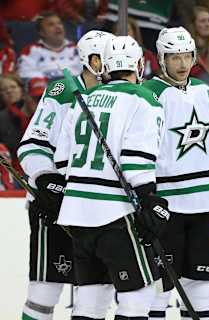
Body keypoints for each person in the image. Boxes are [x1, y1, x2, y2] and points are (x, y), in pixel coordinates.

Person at [53, 35, 169, 319]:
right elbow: (136, 160)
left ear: (103, 65)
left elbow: (62, 160)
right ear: (140, 65)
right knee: (138, 296)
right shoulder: (144, 99)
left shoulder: (85, 98)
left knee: (91, 298)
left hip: (76, 213)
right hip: (114, 214)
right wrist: (148, 198)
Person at [16, 30, 115, 320]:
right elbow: (32, 144)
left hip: (102, 206)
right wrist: (47, 178)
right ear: (92, 59)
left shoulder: (123, 95)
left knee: (97, 293)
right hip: (56, 204)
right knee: (43, 293)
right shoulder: (62, 92)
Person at [143, 26, 209, 320]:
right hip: (167, 206)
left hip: (206, 204)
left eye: (186, 56)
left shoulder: (206, 93)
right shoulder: (148, 94)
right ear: (160, 58)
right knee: (160, 285)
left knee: (201, 283)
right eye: (173, 56)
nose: (181, 63)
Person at [17, 11, 81, 83]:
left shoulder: (77, 49)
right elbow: (25, 74)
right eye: (51, 25)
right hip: (46, 90)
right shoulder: (31, 50)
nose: (58, 27)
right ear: (41, 32)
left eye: (59, 23)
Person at [0, 75, 37, 173]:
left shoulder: (37, 110)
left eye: (13, 87)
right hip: (15, 170)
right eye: (4, 90)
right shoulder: (2, 117)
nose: (9, 91)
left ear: (21, 89)